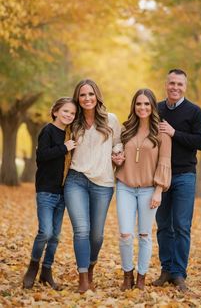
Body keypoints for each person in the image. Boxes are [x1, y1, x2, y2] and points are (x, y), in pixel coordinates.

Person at [153, 69, 201, 291]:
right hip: (159, 176)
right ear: (166, 84)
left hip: (184, 175)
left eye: (180, 84)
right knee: (163, 225)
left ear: (185, 86)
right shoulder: (155, 108)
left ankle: (179, 273)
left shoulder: (195, 111)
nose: (175, 87)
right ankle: (166, 269)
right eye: (172, 83)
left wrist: (175, 133)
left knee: (182, 226)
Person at [64, 79, 121, 293]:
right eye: (82, 95)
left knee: (96, 235)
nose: (87, 98)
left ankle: (90, 269)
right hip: (76, 180)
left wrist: (117, 154)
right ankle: (82, 280)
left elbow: (118, 142)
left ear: (97, 96)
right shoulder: (73, 122)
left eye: (90, 94)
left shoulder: (111, 119)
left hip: (103, 183)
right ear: (77, 99)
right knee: (81, 230)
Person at [114, 89, 171, 291]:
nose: (143, 108)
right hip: (125, 187)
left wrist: (158, 190)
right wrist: (116, 159)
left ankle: (141, 277)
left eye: (147, 104)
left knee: (145, 235)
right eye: (139, 104)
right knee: (125, 234)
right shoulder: (126, 129)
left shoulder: (162, 132)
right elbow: (117, 154)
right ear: (134, 106)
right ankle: (127, 274)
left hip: (149, 190)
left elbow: (164, 162)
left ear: (153, 107)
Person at [23, 97, 77, 290]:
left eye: (72, 113)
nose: (68, 115)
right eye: (65, 111)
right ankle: (32, 267)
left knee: (55, 236)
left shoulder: (70, 134)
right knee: (45, 232)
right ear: (55, 111)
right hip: (46, 190)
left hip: (63, 192)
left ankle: (46, 271)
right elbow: (41, 156)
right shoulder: (48, 130)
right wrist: (64, 148)